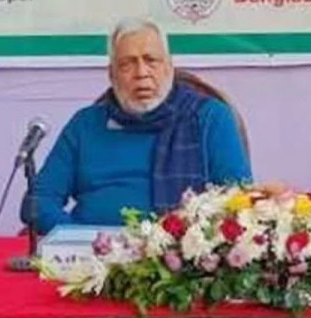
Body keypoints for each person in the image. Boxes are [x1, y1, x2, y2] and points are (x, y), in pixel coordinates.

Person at [22, 18, 252, 233]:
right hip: (91, 258)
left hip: (178, 262)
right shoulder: (85, 125)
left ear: (169, 68)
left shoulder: (209, 117)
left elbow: (236, 200)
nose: (141, 73)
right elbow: (39, 202)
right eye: (127, 64)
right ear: (111, 75)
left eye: (151, 60)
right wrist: (80, 240)